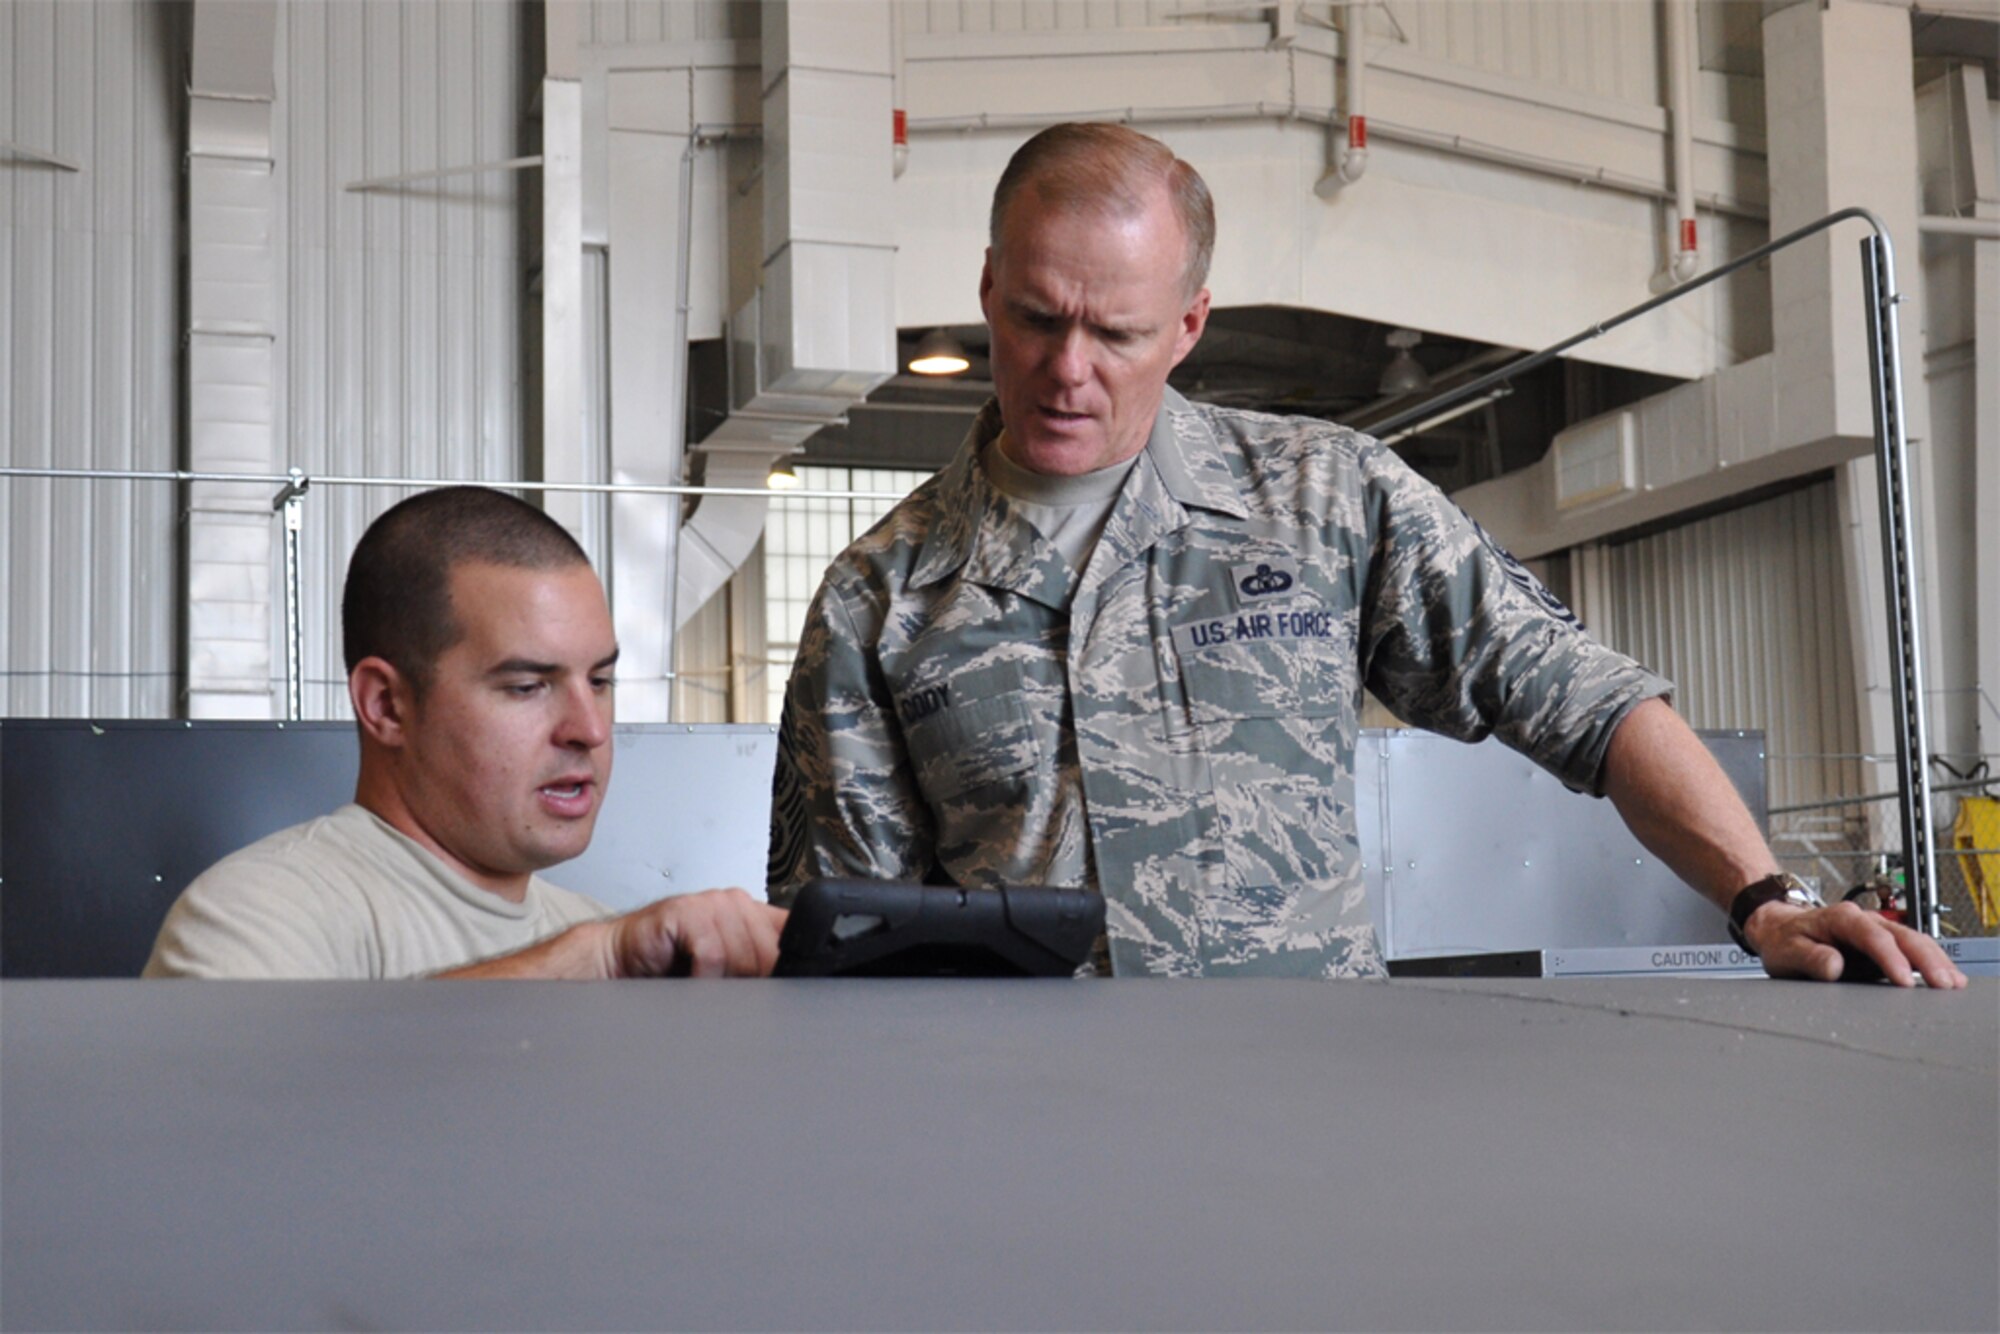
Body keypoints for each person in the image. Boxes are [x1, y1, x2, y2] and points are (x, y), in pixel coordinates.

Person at [767, 122, 1965, 988]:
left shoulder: (1322, 498)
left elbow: (1581, 698)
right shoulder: (881, 596)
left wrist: (1765, 899)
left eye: (1115, 330)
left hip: (1307, 1114)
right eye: (1034, 317)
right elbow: (849, 937)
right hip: (1023, 1129)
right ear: (985, 289)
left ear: (1187, 324)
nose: (1066, 367)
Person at [146, 486, 784, 980]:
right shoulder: (256, 914)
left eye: (599, 681)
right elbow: (235, 1111)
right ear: (387, 705)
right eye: (527, 686)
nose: (588, 729)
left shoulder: (594, 933)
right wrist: (597, 965)